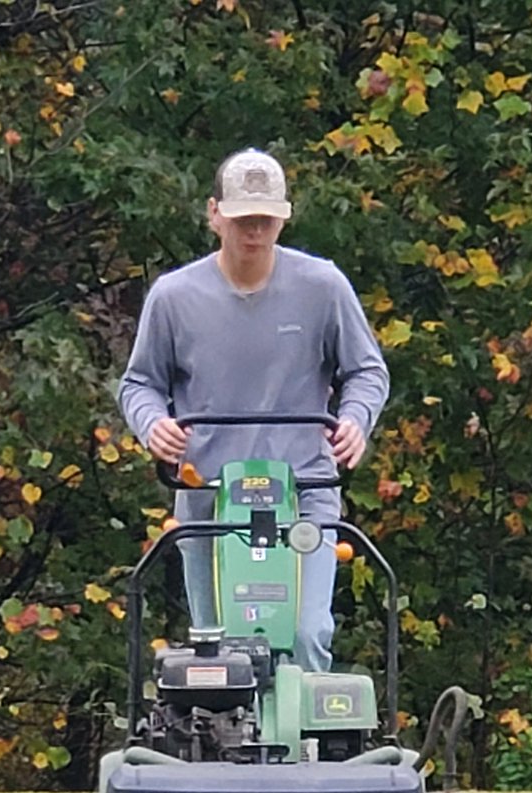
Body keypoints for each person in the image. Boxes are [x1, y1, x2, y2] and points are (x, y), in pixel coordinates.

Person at [118, 148, 389, 671]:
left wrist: (355, 420)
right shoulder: (174, 297)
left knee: (308, 635)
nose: (255, 232)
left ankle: (307, 744)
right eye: (244, 219)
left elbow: (367, 371)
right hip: (208, 495)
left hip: (304, 489)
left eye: (266, 219)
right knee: (218, 651)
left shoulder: (323, 286)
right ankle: (223, 747)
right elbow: (139, 383)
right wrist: (154, 426)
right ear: (215, 213)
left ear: (282, 218)